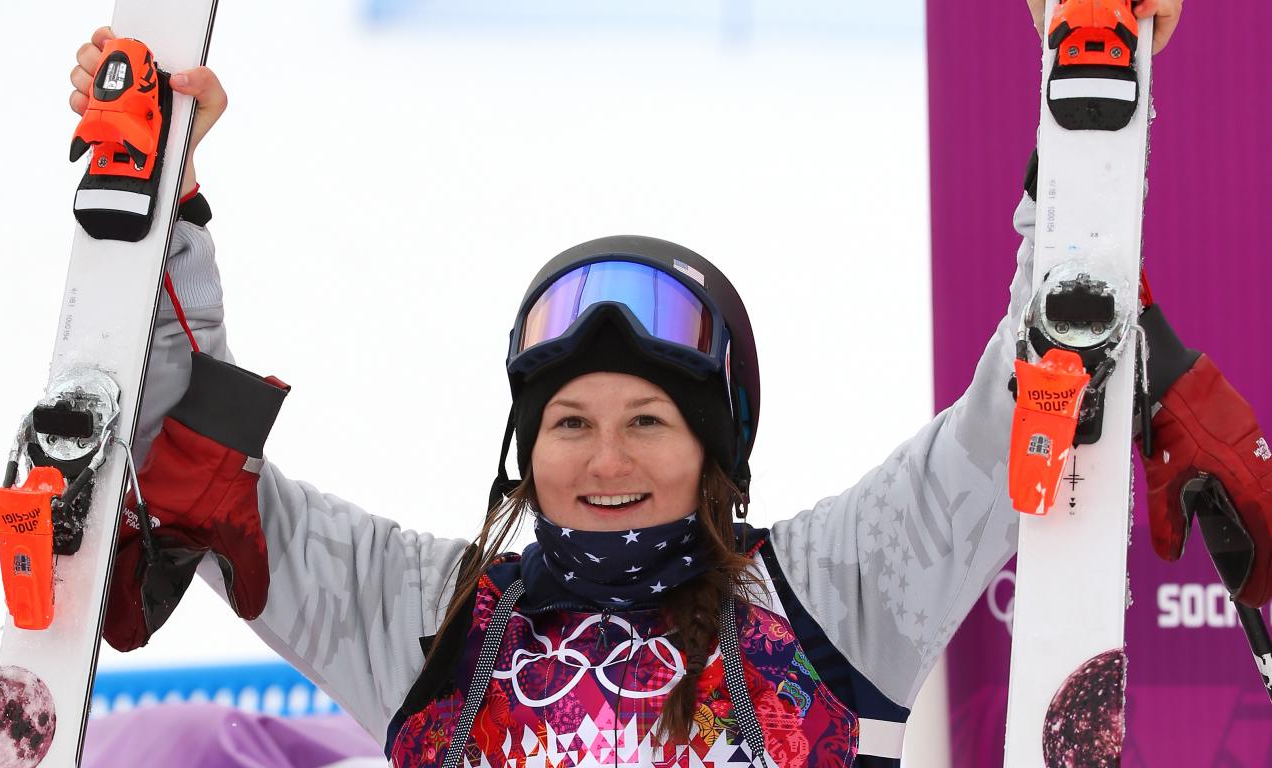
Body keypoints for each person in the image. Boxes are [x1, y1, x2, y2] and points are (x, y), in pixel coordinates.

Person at [77, 1, 1272, 765]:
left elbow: (1022, 399)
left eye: (648, 421)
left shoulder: (825, 596)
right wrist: (164, 203)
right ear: (526, 448)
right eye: (569, 423)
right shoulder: (433, 619)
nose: (605, 459)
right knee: (163, 747)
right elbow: (187, 459)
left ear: (714, 451)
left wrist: (1081, 119)